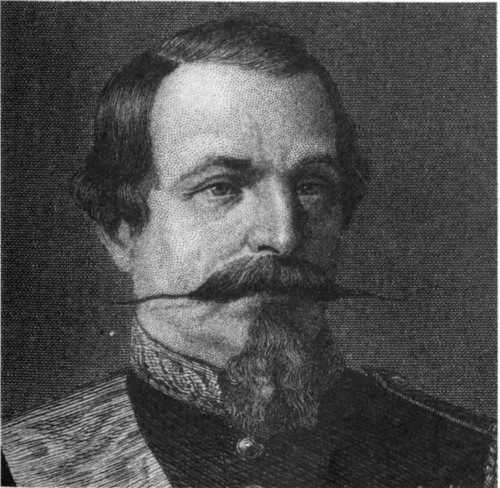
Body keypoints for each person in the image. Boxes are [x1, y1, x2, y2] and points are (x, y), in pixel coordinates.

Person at [2, 18, 495, 488]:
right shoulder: (19, 465)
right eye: (221, 187)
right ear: (121, 232)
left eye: (311, 186)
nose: (283, 236)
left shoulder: (470, 456)